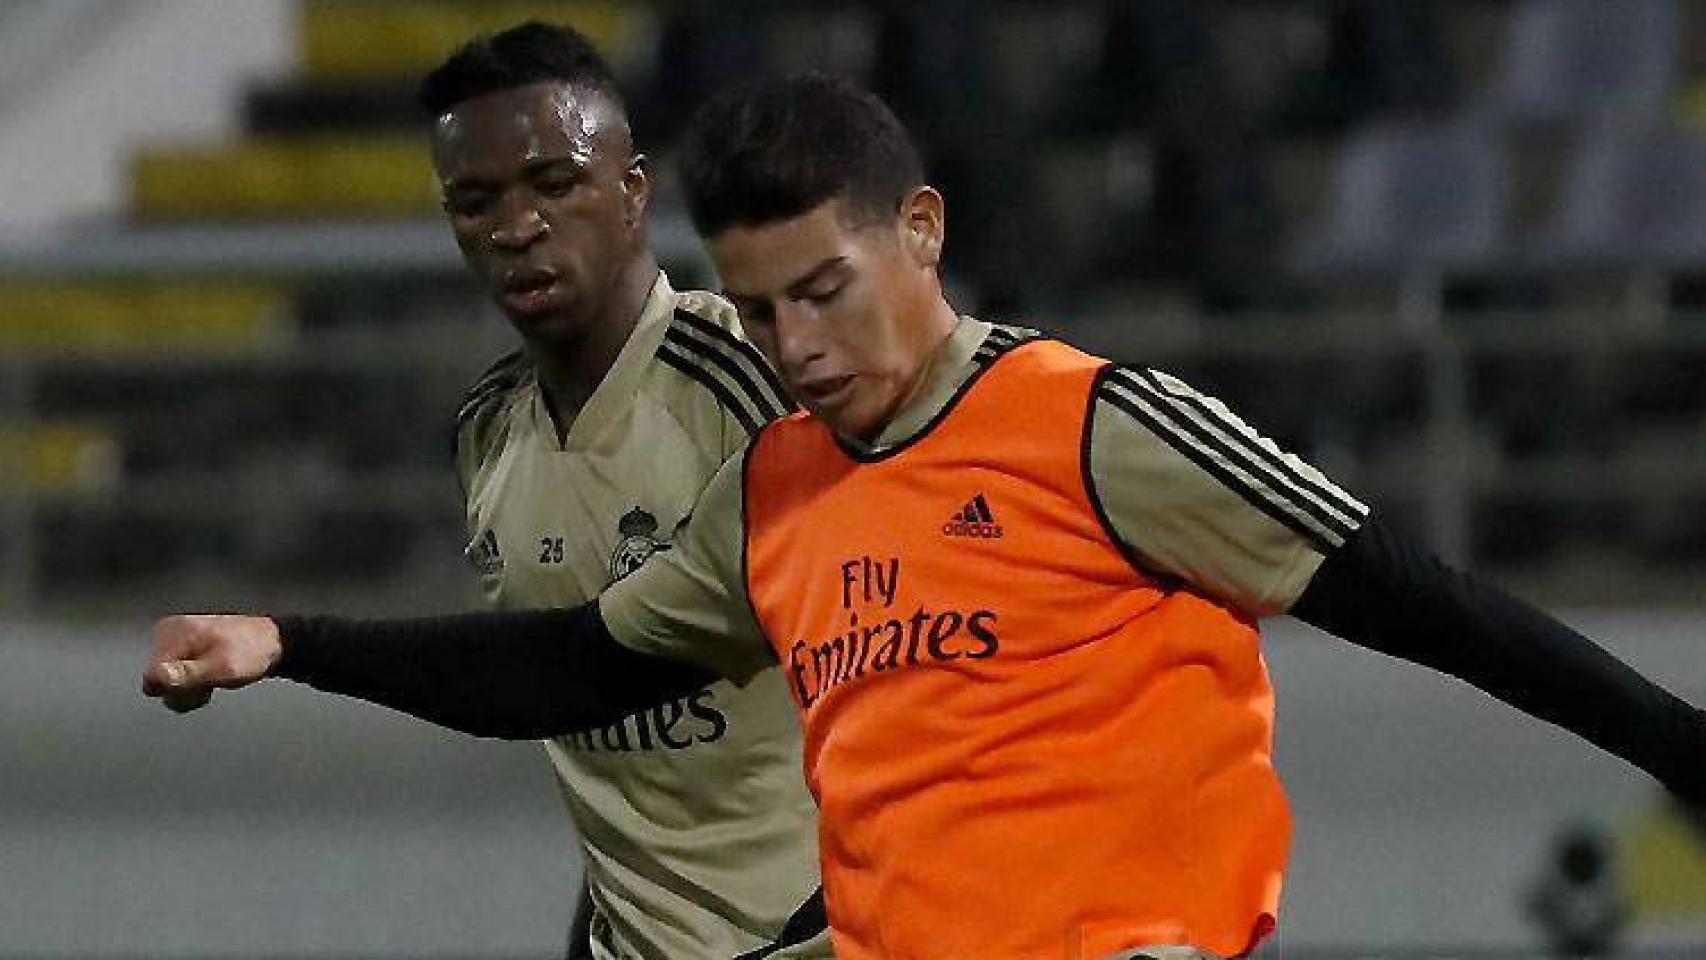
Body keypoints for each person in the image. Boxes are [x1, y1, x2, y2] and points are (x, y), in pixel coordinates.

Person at [144, 74, 1706, 960]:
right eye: (758, 316)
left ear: (921, 232)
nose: (798, 347)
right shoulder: (776, 489)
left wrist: (1677, 746)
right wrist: (290, 642)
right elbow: (571, 671)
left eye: (823, 290)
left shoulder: (1092, 422)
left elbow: (1416, 596)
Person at [243, 22, 832, 960]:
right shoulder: (488, 434)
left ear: (633, 191)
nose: (517, 226)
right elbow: (582, 728)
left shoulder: (758, 386)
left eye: (555, 184)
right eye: (476, 201)